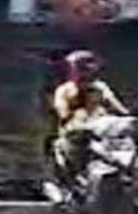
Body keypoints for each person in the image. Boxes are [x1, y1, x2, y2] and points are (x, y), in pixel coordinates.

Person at [50, 50, 128, 190]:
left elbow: (117, 107)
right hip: (76, 135)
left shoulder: (100, 88)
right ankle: (73, 184)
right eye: (80, 69)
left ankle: (122, 176)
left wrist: (126, 116)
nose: (85, 73)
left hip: (101, 133)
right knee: (69, 151)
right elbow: (63, 112)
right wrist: (77, 105)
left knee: (119, 148)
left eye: (88, 68)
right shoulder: (65, 91)